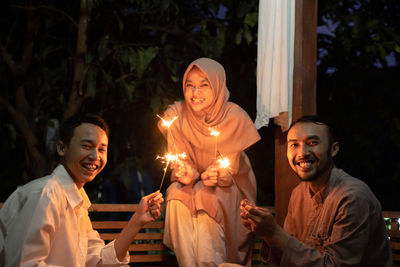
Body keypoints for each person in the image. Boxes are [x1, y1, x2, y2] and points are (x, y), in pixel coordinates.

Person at [0, 114, 164, 267]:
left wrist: (138, 220)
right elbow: (25, 264)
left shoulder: (76, 202)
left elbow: (100, 261)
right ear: (62, 149)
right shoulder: (45, 194)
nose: (95, 157)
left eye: (101, 149)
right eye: (86, 146)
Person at [240, 115, 392, 266]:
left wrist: (275, 232)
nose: (302, 153)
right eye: (294, 145)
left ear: (333, 149)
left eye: (312, 143)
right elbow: (290, 257)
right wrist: (267, 234)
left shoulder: (353, 197)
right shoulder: (299, 194)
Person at [158, 57, 261, 266]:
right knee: (176, 195)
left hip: (231, 187)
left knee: (207, 198)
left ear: (218, 86)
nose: (195, 93)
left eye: (204, 85)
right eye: (190, 86)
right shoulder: (177, 116)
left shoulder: (233, 117)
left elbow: (228, 171)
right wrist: (186, 171)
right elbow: (179, 159)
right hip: (193, 185)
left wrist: (218, 174)